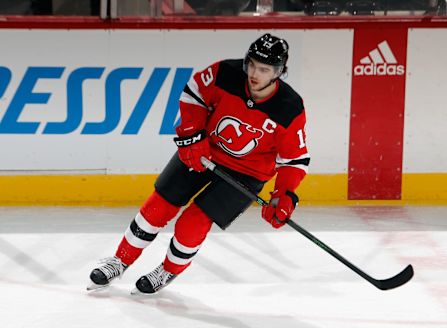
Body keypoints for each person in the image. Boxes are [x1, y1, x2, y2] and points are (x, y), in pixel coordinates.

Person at [87, 33, 310, 294]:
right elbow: (194, 94)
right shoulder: (226, 72)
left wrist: (284, 194)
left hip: (246, 174)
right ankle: (120, 260)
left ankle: (169, 270)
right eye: (251, 64)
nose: (253, 73)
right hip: (203, 153)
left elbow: (294, 159)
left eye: (263, 69)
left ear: (279, 72)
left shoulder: (289, 107)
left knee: (192, 223)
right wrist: (193, 134)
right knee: (158, 207)